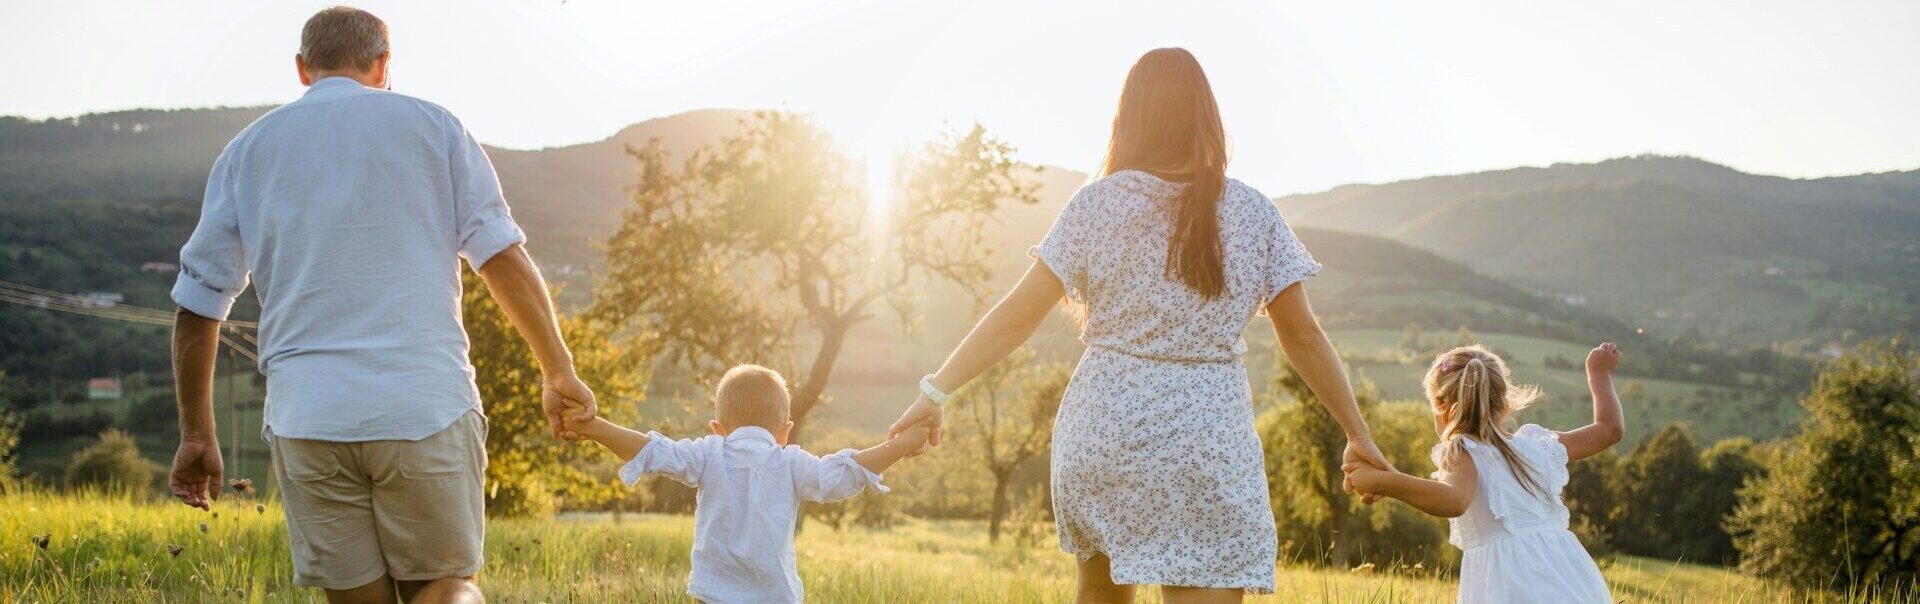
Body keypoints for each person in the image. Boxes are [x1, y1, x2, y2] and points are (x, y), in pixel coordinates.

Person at [885, 47, 1390, 603]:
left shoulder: (1095, 205)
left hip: (1103, 433)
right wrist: (1359, 436)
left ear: (1130, 118)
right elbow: (1303, 336)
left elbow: (1016, 315)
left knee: (1100, 592)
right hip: (1205, 443)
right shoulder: (1253, 211)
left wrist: (935, 390)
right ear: (1207, 117)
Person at [165, 7, 594, 603]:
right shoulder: (435, 126)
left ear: (301, 69)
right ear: (383, 64)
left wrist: (196, 434)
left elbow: (198, 305)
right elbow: (502, 257)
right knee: (448, 588)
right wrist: (558, 370)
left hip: (309, 419)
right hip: (424, 409)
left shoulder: (247, 150)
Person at [564, 365, 929, 604]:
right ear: (784, 431)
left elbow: (655, 450)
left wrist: (594, 427)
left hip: (714, 594)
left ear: (717, 428)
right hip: (776, 596)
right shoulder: (790, 462)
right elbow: (841, 474)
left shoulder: (709, 453)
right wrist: (898, 446)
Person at [1343, 343, 1625, 604]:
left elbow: (1453, 500)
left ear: (1441, 408)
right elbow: (1609, 430)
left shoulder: (1462, 449)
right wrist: (1599, 374)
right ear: (1503, 406)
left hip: (1510, 584)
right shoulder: (1537, 445)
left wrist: (1384, 481)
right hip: (1569, 577)